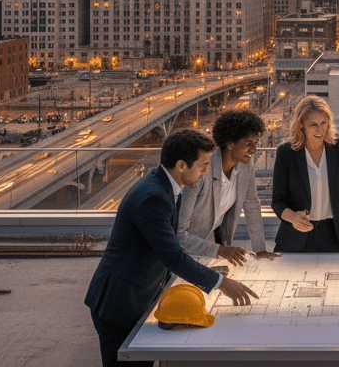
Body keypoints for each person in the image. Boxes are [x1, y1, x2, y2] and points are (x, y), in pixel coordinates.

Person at [84, 129, 258, 367]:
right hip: (119, 302)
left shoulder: (165, 187)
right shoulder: (153, 198)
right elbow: (173, 256)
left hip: (138, 295)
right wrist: (222, 283)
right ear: (181, 165)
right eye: (203, 165)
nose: (207, 171)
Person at [177, 110, 278, 263]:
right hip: (185, 250)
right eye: (248, 144)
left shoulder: (245, 165)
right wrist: (221, 250)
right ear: (230, 143)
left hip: (214, 244)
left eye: (256, 143)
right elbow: (179, 233)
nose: (254, 150)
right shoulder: (202, 169)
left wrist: (260, 250)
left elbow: (251, 203)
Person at [271, 96, 339, 255]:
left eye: (323, 123)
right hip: (294, 237)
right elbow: (277, 201)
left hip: (334, 237)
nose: (320, 130)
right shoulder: (286, 153)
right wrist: (293, 217)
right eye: (313, 124)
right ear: (301, 124)